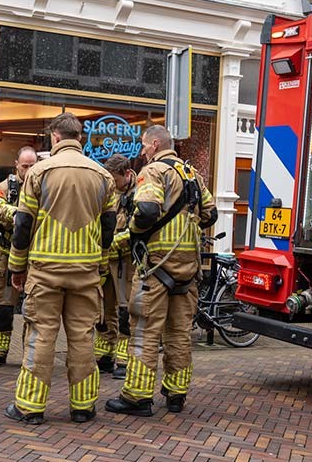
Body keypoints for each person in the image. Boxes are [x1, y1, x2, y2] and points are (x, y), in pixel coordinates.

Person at [3, 113, 117, 425]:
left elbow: (22, 224)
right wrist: (102, 264)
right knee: (82, 338)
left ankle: (29, 407)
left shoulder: (38, 172)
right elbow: (108, 228)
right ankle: (83, 407)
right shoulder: (102, 176)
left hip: (45, 271)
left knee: (40, 337)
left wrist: (16, 266)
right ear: (79, 137)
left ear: (55, 137)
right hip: (86, 271)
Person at [105, 125, 217, 416]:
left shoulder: (154, 172)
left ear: (155, 144)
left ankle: (137, 398)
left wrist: (134, 231)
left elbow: (147, 211)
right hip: (188, 269)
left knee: (144, 331)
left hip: (156, 266)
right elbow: (210, 214)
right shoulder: (192, 174)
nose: (142, 152)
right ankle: (176, 395)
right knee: (179, 333)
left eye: (144, 146)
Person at [0, 146, 38, 368]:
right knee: (4, 306)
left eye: (33, 166)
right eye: (25, 166)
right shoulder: (5, 188)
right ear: (17, 164)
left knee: (33, 309)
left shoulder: (44, 186)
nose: (29, 170)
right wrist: (15, 215)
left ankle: (30, 354)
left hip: (34, 257)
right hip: (7, 254)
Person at [94, 154, 137, 379]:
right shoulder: (109, 191)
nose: (112, 184)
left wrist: (113, 243)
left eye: (115, 179)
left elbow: (137, 229)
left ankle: (124, 358)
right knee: (103, 309)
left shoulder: (139, 194)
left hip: (125, 261)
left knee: (124, 310)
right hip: (106, 259)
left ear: (127, 174)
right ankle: (105, 355)